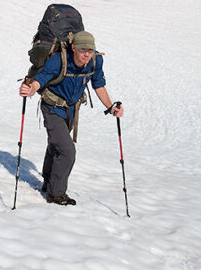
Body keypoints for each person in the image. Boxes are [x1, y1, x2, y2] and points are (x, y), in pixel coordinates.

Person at [18, 30, 125, 206]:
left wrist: (111, 107)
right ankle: (56, 194)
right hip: (52, 107)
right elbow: (41, 78)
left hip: (71, 110)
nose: (87, 54)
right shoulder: (59, 59)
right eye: (83, 50)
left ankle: (48, 183)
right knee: (67, 151)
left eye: (90, 50)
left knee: (56, 146)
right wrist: (30, 90)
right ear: (74, 47)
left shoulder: (95, 61)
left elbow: (99, 85)